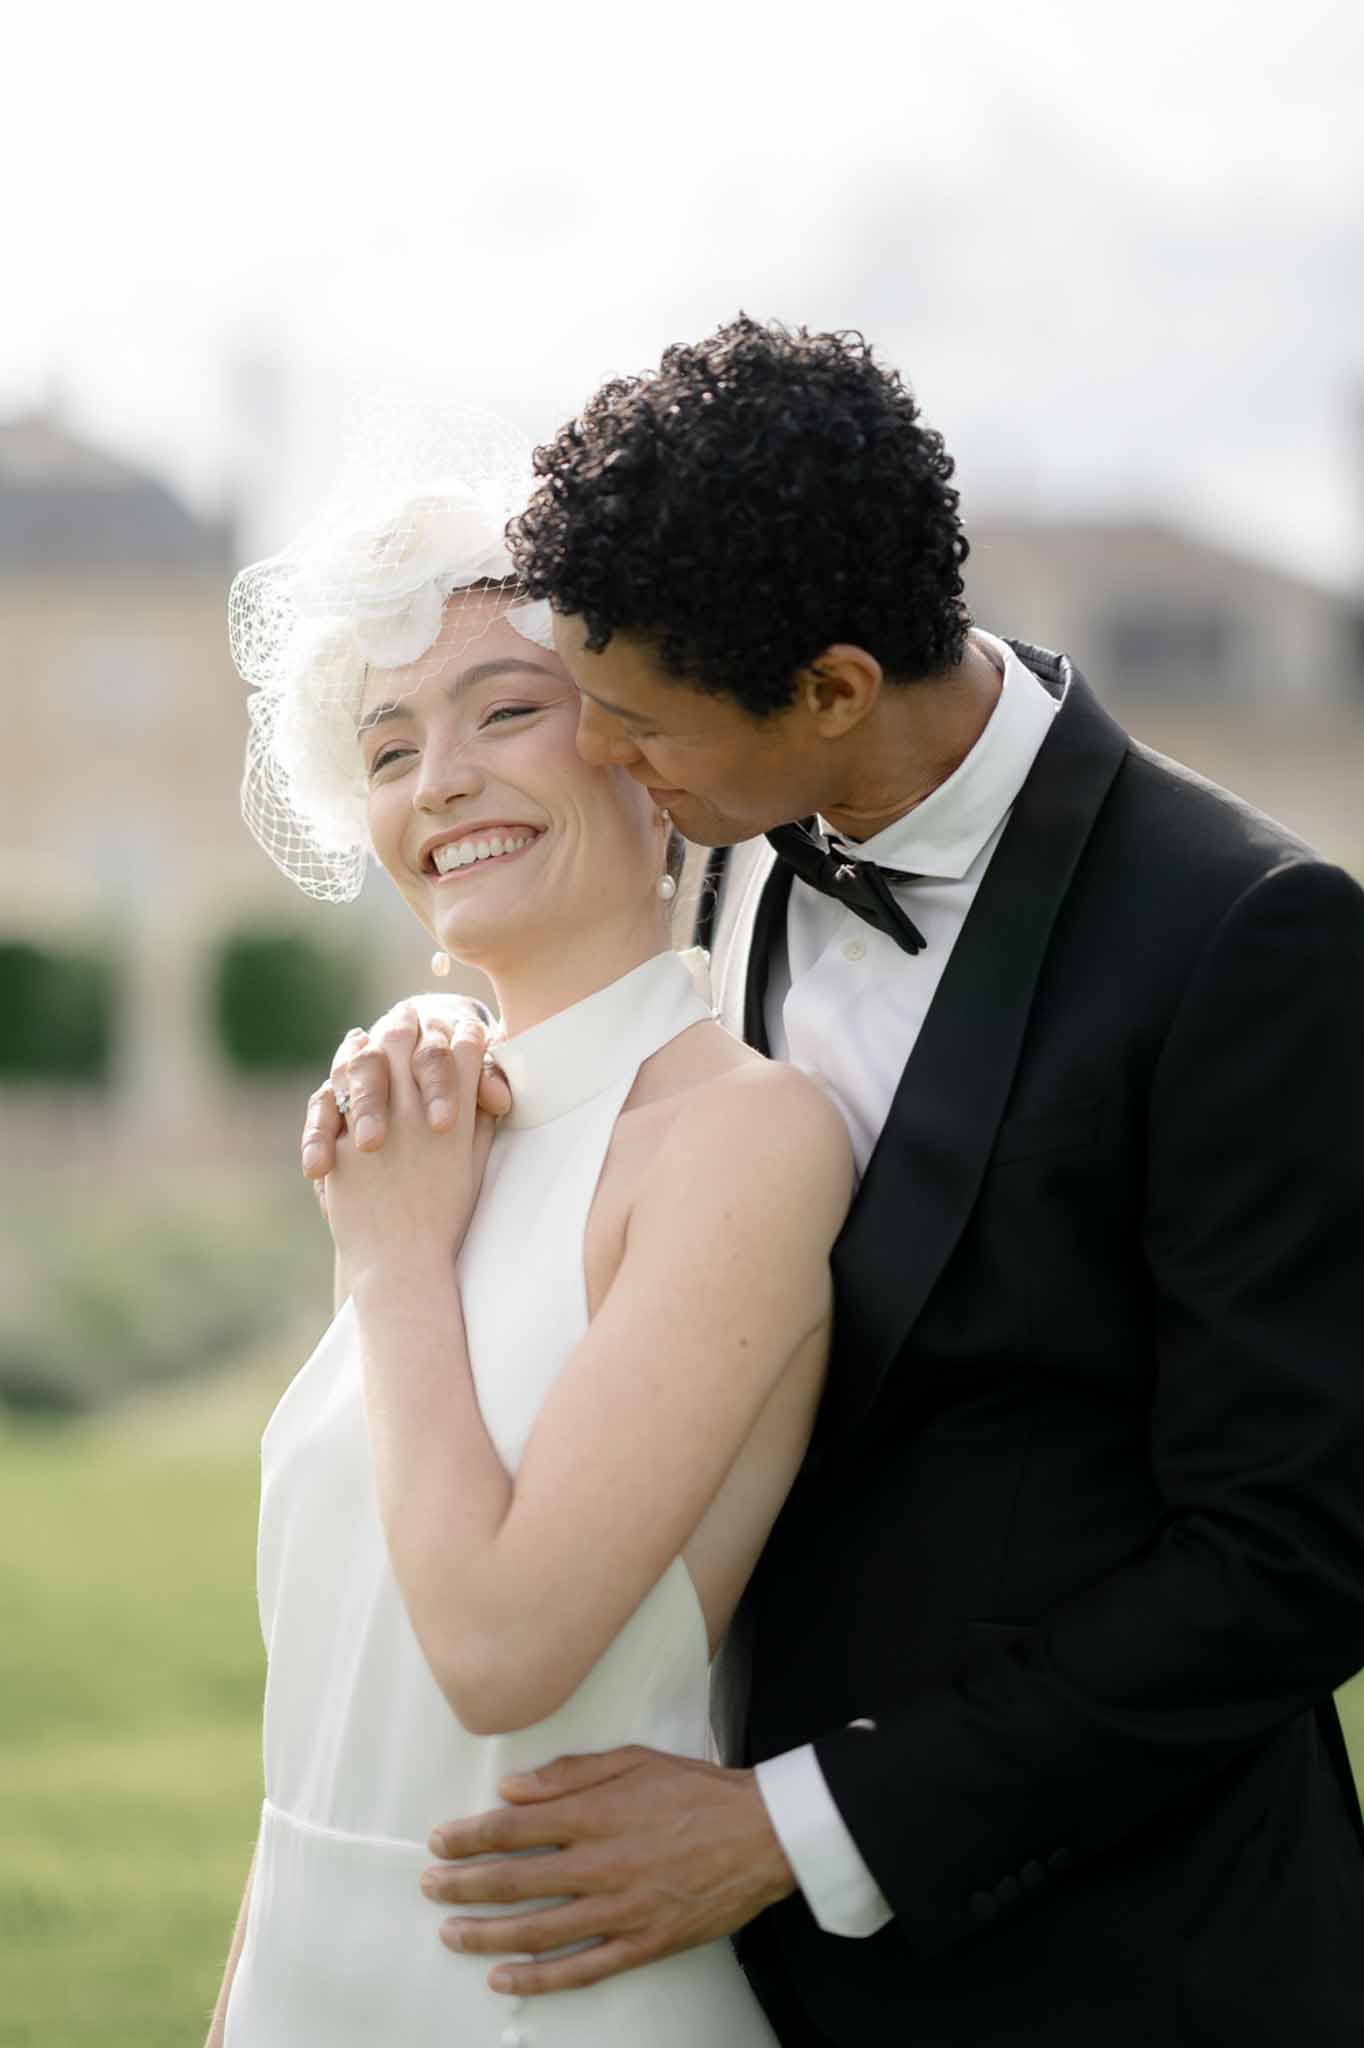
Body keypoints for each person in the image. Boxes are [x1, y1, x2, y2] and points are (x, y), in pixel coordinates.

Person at [319, 319, 1364, 2046]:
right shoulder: (734, 852)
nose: (602, 760)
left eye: (634, 728)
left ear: (829, 691)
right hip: (744, 1977)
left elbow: (1297, 1551)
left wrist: (796, 1829)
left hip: (1134, 1962)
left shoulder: (1249, 939)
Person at [206, 419, 853, 2047]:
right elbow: (327, 1743)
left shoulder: (739, 1137)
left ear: (649, 753)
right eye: (387, 746)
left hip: (544, 1998)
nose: (441, 784)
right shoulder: (419, 1134)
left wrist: (387, 1258)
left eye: (506, 711)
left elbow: (500, 1651)